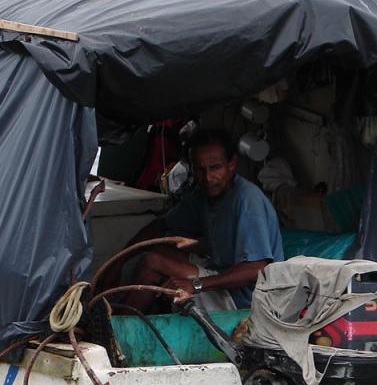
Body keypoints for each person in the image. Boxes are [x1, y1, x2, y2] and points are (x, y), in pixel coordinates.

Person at [116, 129, 283, 313]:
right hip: (218, 270)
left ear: (232, 164)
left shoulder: (248, 201)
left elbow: (256, 269)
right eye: (200, 169)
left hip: (246, 298)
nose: (208, 177)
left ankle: (119, 329)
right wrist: (117, 264)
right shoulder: (204, 193)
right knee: (160, 250)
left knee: (152, 263)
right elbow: (161, 225)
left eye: (215, 168)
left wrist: (196, 285)